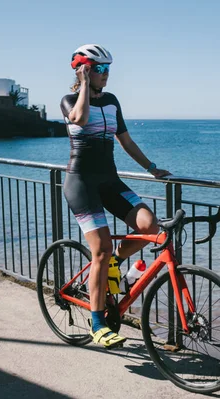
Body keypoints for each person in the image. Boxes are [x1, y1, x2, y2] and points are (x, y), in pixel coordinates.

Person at [60, 44, 171, 348]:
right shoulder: (70, 100)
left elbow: (126, 140)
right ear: (84, 69)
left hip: (109, 180)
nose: (106, 76)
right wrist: (84, 84)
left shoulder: (112, 102)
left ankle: (115, 263)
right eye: (100, 69)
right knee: (100, 249)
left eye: (109, 69)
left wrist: (152, 168)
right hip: (81, 183)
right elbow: (80, 120)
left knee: (150, 225)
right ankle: (97, 324)